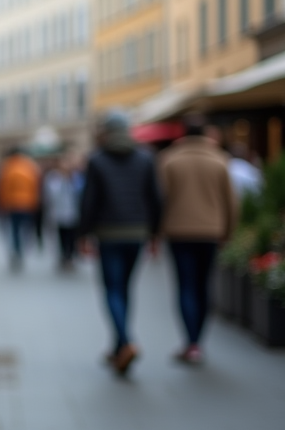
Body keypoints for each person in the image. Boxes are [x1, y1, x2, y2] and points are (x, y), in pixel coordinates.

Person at [79, 111, 162, 376]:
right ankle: (118, 347)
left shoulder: (97, 160)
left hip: (108, 233)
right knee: (125, 289)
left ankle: (125, 342)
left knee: (112, 289)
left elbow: (89, 201)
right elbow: (156, 199)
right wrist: (154, 234)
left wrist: (83, 233)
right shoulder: (146, 158)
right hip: (136, 232)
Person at [158, 114, 240, 365]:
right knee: (204, 285)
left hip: (178, 231)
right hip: (211, 232)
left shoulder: (169, 160)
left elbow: (160, 199)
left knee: (185, 286)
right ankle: (199, 342)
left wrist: (157, 230)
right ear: (206, 133)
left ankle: (190, 341)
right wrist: (228, 231)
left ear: (183, 133)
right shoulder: (220, 160)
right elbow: (231, 202)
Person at [0, 147, 42, 270]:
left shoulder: (7, 167)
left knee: (14, 230)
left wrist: (1, 203)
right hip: (27, 204)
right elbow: (35, 185)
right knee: (26, 229)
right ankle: (23, 250)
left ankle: (17, 251)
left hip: (12, 204)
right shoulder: (29, 166)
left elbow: (2, 187)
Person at [43, 153, 83, 270]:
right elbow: (51, 195)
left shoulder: (76, 177)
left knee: (72, 236)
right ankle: (64, 256)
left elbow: (81, 192)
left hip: (74, 212)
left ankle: (70, 256)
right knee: (62, 236)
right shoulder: (53, 177)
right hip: (60, 213)